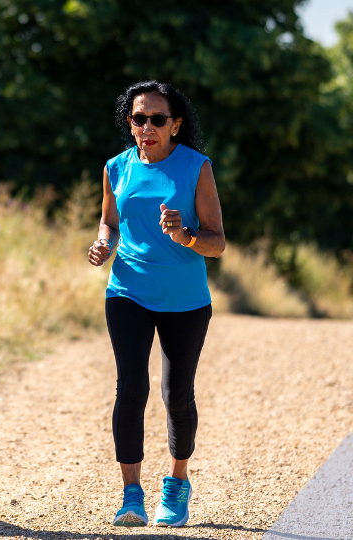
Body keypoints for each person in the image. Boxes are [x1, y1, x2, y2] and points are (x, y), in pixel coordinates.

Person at [88, 80, 226, 528]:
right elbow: (109, 221)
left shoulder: (196, 167)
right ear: (129, 123)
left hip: (185, 300)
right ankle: (131, 493)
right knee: (131, 388)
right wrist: (103, 244)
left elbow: (217, 242)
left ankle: (177, 483)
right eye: (138, 118)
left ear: (175, 125)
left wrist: (184, 234)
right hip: (127, 291)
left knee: (176, 395)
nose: (146, 126)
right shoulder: (115, 167)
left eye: (157, 119)